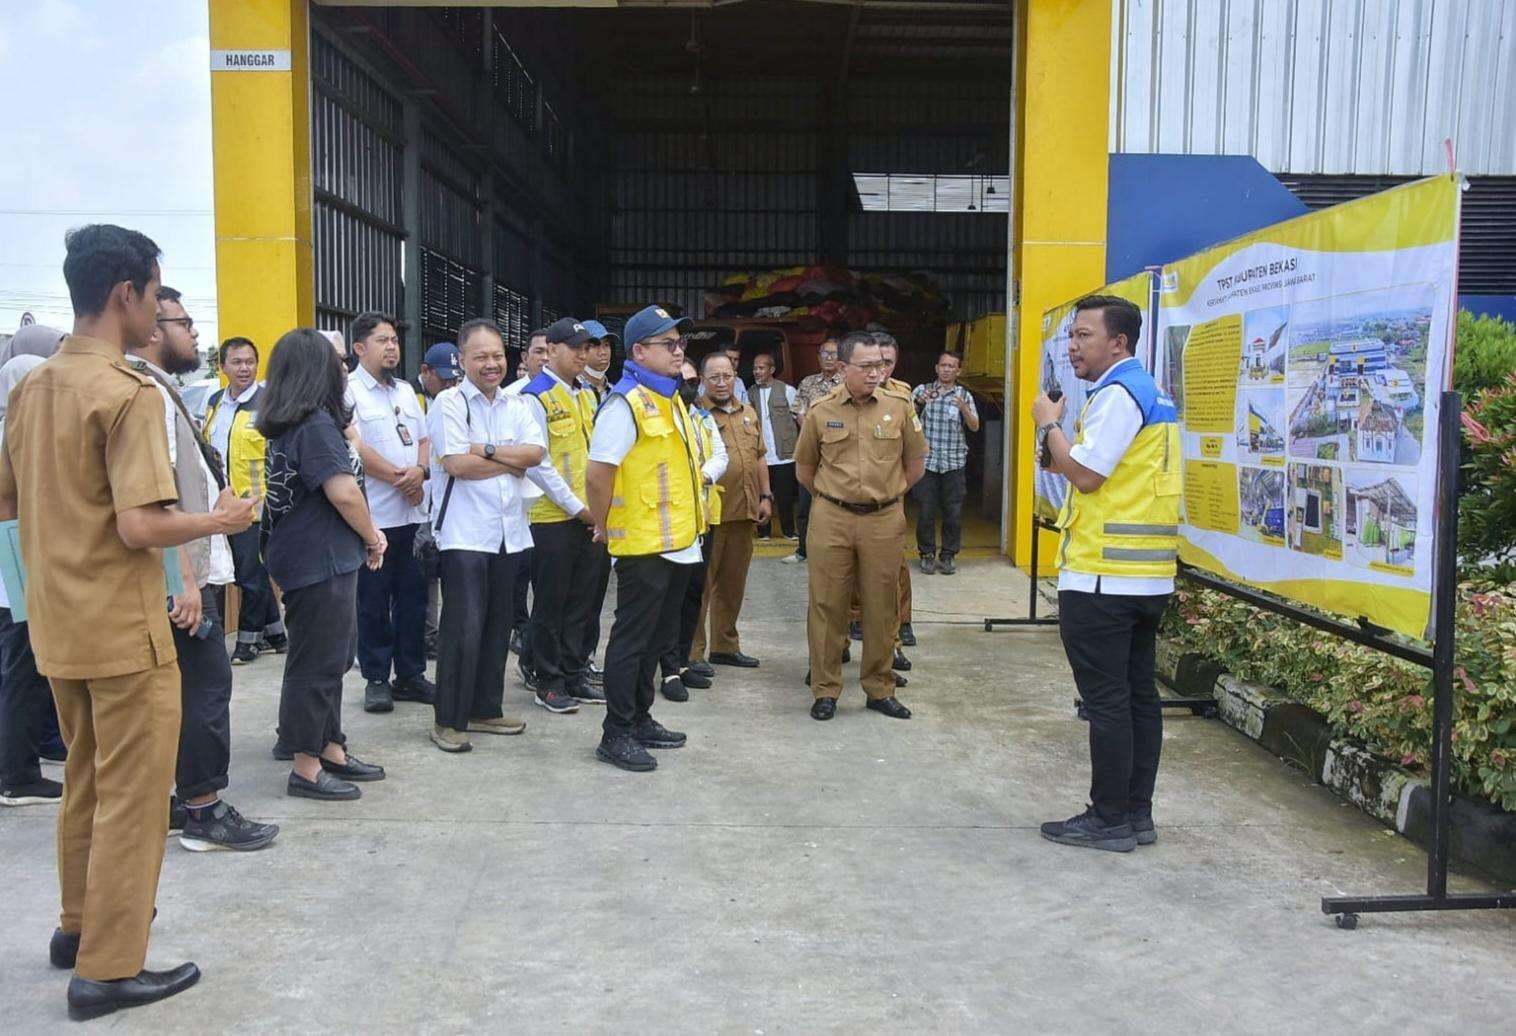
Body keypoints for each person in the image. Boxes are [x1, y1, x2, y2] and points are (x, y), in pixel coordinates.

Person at [0, 225, 255, 1018]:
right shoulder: (128, 390)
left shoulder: (32, 388)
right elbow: (142, 526)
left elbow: (8, 504)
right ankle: (110, 966)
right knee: (137, 797)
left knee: (86, 779)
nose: (160, 310)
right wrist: (221, 522)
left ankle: (79, 929)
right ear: (125, 295)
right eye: (155, 294)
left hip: (57, 622)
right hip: (121, 626)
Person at [130, 288, 278, 852]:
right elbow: (157, 494)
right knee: (206, 689)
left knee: (184, 692)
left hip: (191, 563)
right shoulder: (146, 392)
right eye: (184, 322)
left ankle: (179, 800)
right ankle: (202, 811)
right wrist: (185, 581)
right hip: (184, 574)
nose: (195, 333)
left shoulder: (164, 389)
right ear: (148, 323)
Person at [1032, 294, 1180, 853]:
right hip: (1143, 580)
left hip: (1103, 580)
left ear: (1117, 341)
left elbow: (1087, 476)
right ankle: (1135, 813)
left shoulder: (1119, 394)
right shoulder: (1150, 392)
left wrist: (1049, 425)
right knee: (1138, 697)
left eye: (1084, 335)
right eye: (1071, 335)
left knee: (1109, 703)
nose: (1072, 346)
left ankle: (1110, 816)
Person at [259, 328, 388, 804]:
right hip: (318, 559)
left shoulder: (304, 421)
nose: (343, 369)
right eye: (334, 362)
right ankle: (306, 766)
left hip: (322, 556)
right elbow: (344, 491)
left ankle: (330, 746)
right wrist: (372, 535)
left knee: (332, 659)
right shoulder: (312, 425)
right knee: (314, 664)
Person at [585, 305, 706, 772]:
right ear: (638, 351)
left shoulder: (671, 397)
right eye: (668, 344)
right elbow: (599, 472)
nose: (678, 352)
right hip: (642, 544)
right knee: (632, 639)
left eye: (681, 344)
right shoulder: (625, 402)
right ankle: (615, 731)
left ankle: (639, 717)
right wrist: (600, 521)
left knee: (657, 639)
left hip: (678, 541)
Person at [794, 331, 925, 723]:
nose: (875, 373)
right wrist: (837, 497)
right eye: (866, 366)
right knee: (827, 605)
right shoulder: (820, 410)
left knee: (882, 606)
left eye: (880, 366)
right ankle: (826, 689)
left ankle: (879, 688)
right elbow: (805, 469)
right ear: (843, 367)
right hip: (832, 517)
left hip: (884, 519)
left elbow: (915, 463)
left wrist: (889, 494)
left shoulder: (900, 407)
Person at [429, 319, 544, 753]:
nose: (491, 364)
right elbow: (457, 464)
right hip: (465, 533)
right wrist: (510, 462)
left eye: (497, 355)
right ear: (462, 361)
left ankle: (485, 708)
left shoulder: (517, 406)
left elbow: (535, 454)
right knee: (463, 627)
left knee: (498, 624)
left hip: (508, 532)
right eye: (480, 356)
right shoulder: (449, 404)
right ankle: (449, 719)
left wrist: (487, 449)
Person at [347, 311, 434, 715]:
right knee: (374, 602)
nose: (392, 346)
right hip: (375, 518)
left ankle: (411, 674)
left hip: (412, 516)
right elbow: (358, 448)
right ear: (360, 348)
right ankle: (377, 678)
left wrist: (419, 471)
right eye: (383, 340)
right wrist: (403, 478)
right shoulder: (348, 392)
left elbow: (423, 437)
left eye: (395, 340)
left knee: (414, 599)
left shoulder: (405, 392)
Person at [520, 318, 604, 714]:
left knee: (582, 602)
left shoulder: (587, 394)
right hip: (553, 517)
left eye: (586, 348)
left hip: (590, 515)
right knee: (551, 604)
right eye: (575, 348)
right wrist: (578, 508)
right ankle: (547, 680)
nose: (582, 355)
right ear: (551, 350)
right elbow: (539, 464)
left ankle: (574, 673)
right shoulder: (534, 397)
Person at [0, 328, 66, 809]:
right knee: (23, 672)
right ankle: (16, 775)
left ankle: (41, 745)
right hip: (16, 576)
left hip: (15, 572)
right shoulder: (15, 436)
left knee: (29, 669)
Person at [203, 336, 285, 664]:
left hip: (256, 507)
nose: (244, 368)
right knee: (246, 572)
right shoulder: (214, 402)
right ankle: (276, 633)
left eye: (250, 361)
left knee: (248, 574)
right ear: (222, 366)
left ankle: (248, 640)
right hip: (223, 503)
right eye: (236, 362)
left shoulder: (269, 403)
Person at [690, 351, 769, 671]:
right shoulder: (695, 414)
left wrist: (766, 495)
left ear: (736, 377)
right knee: (700, 586)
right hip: (710, 514)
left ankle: (725, 645)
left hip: (745, 509)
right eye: (714, 378)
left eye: (727, 376)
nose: (722, 383)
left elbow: (760, 456)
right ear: (702, 381)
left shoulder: (748, 412)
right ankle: (692, 652)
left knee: (733, 584)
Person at [659, 359, 727, 701]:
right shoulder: (661, 417)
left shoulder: (701, 417)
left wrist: (701, 475)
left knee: (693, 593)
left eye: (691, 380)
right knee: (669, 597)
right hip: (669, 523)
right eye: (679, 380)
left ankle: (684, 661)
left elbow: (720, 456)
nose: (686, 386)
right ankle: (667, 669)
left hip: (701, 519)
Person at [912, 352, 979, 576]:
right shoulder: (922, 391)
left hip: (954, 462)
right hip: (928, 462)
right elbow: (906, 419)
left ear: (958, 371)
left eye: (952, 366)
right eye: (943, 365)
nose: (947, 369)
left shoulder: (963, 395)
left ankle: (948, 555)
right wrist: (919, 403)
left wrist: (964, 408)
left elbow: (975, 426)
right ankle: (927, 554)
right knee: (926, 511)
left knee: (953, 512)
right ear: (936, 367)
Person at [506, 328, 551, 660]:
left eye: (550, 351)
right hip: (521, 503)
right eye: (538, 352)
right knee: (519, 573)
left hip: (555, 505)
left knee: (547, 581)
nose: (545, 358)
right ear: (525, 358)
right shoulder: (511, 397)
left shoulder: (570, 395)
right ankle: (519, 627)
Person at [416, 342, 462, 659]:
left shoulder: (457, 402)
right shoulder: (411, 400)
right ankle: (426, 634)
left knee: (442, 570)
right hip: (415, 501)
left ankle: (436, 634)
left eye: (453, 379)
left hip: (445, 502)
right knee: (423, 574)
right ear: (425, 372)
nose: (448, 385)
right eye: (443, 378)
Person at [789, 336, 842, 565]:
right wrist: (813, 432)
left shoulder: (847, 383)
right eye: (825, 354)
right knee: (805, 502)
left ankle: (834, 550)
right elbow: (798, 411)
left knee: (835, 501)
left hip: (839, 452)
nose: (829, 358)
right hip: (811, 451)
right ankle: (803, 549)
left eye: (834, 354)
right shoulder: (808, 382)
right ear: (818, 357)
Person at [750, 351, 799, 540]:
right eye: (755, 368)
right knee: (763, 495)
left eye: (761, 368)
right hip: (762, 455)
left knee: (786, 496)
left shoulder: (787, 390)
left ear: (771, 369)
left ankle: (788, 530)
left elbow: (798, 417)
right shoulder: (750, 393)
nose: (756, 371)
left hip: (784, 454)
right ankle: (764, 531)